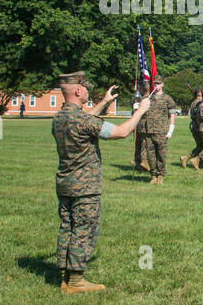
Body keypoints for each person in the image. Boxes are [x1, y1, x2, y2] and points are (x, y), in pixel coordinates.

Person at [51, 72, 151, 293]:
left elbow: (87, 120)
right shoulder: (83, 120)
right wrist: (141, 111)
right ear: (78, 91)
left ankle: (64, 276)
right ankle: (76, 281)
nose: (88, 91)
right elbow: (122, 132)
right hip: (85, 186)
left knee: (67, 227)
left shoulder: (60, 118)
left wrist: (105, 102)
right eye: (86, 88)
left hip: (65, 182)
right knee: (84, 229)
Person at [139, 79, 176, 185]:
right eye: (155, 83)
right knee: (150, 154)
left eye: (158, 83)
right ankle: (153, 175)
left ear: (162, 84)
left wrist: (171, 129)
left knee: (161, 154)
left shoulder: (167, 99)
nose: (156, 85)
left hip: (161, 130)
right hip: (148, 130)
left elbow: (172, 115)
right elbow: (141, 112)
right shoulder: (147, 98)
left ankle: (161, 175)